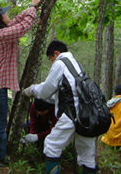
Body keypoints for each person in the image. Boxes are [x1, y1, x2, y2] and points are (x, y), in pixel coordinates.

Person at [0, 0, 41, 167]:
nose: (7, 16)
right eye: (4, 14)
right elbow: (23, 27)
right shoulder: (3, 35)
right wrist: (32, 9)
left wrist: (30, 8)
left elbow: (15, 22)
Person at [23, 40, 98, 174]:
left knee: (52, 145)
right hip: (87, 115)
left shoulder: (61, 63)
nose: (51, 62)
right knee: (87, 155)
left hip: (71, 114)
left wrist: (32, 90)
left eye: (50, 59)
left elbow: (47, 90)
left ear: (56, 53)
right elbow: (65, 92)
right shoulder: (77, 65)